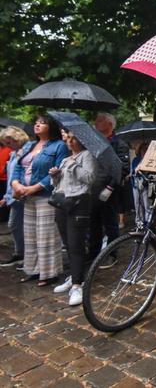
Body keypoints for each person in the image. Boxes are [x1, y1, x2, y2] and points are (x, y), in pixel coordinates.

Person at [11, 115, 68, 286]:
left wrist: (33, 188)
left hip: (45, 196)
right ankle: (33, 270)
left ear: (51, 126)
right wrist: (16, 184)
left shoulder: (59, 146)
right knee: (30, 236)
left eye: (42, 123)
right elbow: (18, 167)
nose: (37, 124)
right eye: (36, 122)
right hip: (26, 196)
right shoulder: (29, 145)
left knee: (46, 236)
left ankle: (49, 273)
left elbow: (57, 173)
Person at [50, 132, 97, 306]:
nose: (69, 141)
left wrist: (74, 166)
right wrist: (55, 175)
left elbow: (90, 179)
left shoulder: (87, 156)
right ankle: (74, 276)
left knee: (77, 244)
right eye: (68, 138)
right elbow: (58, 184)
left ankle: (78, 285)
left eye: (74, 138)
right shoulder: (65, 159)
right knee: (68, 243)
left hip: (79, 203)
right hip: (63, 203)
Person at [89, 112, 130, 266]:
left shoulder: (119, 144)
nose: (96, 122)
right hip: (93, 188)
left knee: (110, 223)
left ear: (109, 125)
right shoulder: (93, 142)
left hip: (109, 191)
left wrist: (110, 187)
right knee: (93, 223)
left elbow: (123, 168)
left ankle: (112, 254)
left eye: (100, 120)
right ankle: (93, 253)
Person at [0, 127, 30, 267]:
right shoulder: (14, 153)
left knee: (16, 224)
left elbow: (23, 174)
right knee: (16, 224)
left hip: (21, 194)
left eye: (9, 142)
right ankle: (20, 252)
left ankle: (22, 253)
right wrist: (7, 196)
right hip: (13, 194)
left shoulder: (27, 151)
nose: (7, 145)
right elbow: (12, 176)